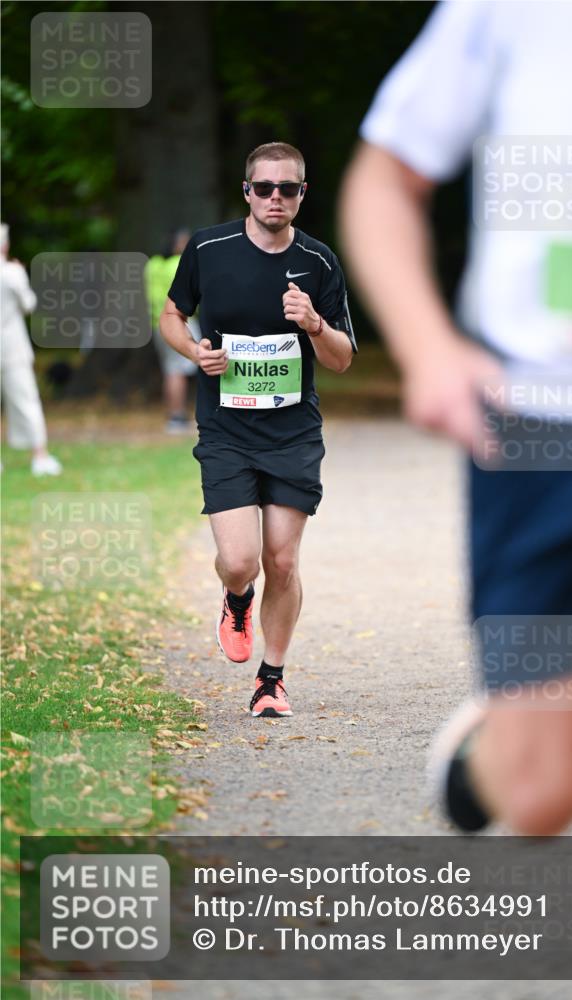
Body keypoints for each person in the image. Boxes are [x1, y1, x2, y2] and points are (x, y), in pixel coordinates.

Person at [340, 1, 572, 996]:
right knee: (543, 792)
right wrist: (431, 348)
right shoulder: (502, 12)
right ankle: (487, 759)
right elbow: (383, 182)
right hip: (532, 428)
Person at [160, 142, 356, 718]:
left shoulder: (320, 262)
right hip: (225, 429)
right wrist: (196, 352)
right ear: (246, 191)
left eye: (288, 189)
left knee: (285, 560)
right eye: (264, 188)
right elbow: (171, 315)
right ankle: (236, 597)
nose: (276, 198)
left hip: (293, 433)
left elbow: (342, 358)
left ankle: (272, 679)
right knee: (242, 560)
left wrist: (315, 323)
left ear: (301, 194)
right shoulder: (208, 247)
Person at [0, 223, 62, 476]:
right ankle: (40, 455)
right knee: (27, 400)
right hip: (12, 345)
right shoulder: (12, 272)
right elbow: (29, 303)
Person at [145, 229, 201, 434]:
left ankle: (174, 414)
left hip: (157, 323)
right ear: (176, 244)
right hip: (180, 320)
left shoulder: (152, 265)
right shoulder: (178, 265)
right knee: (182, 368)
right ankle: (178, 415)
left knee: (170, 369)